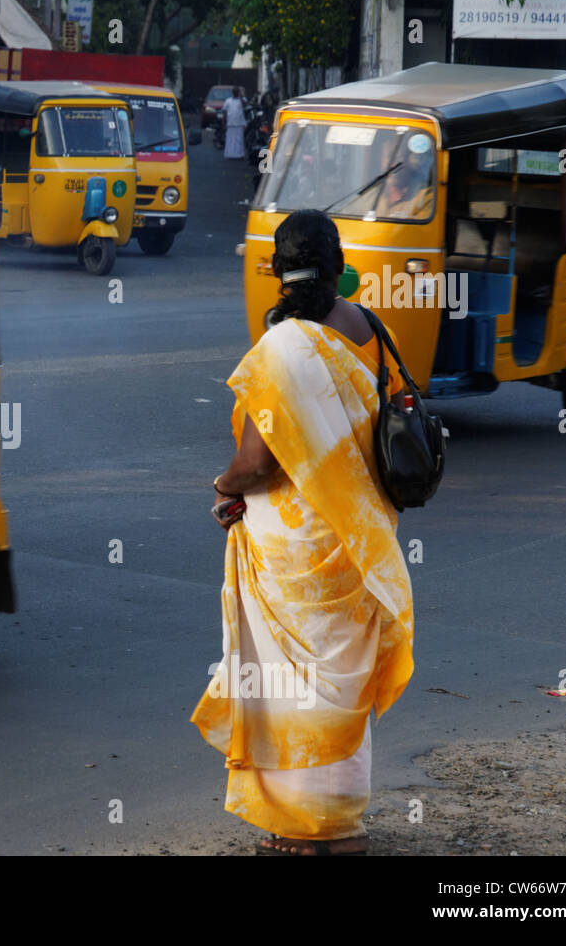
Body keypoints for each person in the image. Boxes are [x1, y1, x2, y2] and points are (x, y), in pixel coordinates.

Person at [191, 208, 414, 856]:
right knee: (339, 678)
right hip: (360, 537)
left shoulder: (282, 347)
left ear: (275, 271)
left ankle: (300, 826)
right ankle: (340, 822)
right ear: (340, 262)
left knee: (295, 681)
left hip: (295, 547)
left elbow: (259, 461)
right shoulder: (374, 328)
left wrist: (224, 487)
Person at [375, 144, 434, 219]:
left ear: (409, 161)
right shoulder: (367, 200)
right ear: (381, 161)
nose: (393, 166)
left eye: (398, 158)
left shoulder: (425, 197)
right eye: (389, 157)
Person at [222, 87, 246, 160]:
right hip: (231, 123)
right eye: (234, 92)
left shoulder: (242, 100)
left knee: (239, 141)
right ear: (232, 92)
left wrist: (241, 96)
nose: (235, 93)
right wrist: (224, 121)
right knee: (230, 140)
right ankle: (230, 154)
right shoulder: (228, 101)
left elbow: (245, 105)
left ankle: (239, 155)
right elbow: (225, 112)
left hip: (239, 123)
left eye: (236, 92)